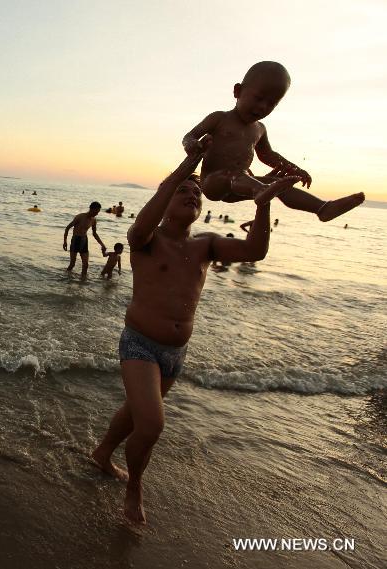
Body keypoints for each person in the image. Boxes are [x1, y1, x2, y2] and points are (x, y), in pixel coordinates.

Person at [90, 151, 282, 524]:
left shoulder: (206, 245)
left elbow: (255, 251)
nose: (193, 195)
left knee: (136, 414)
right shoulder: (146, 239)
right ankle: (134, 490)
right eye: (183, 191)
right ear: (166, 200)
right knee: (152, 424)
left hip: (175, 353)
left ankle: (101, 454)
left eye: (197, 192)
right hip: (139, 344)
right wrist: (185, 167)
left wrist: (261, 206)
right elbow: (142, 222)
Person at [182, 61, 364, 221]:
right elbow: (190, 136)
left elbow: (267, 155)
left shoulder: (260, 129)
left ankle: (322, 208)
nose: (262, 106)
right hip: (214, 183)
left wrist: (293, 169)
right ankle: (262, 190)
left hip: (245, 184)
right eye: (258, 98)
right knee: (244, 179)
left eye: (271, 103)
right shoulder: (219, 118)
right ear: (238, 91)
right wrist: (192, 145)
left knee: (278, 185)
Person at [63, 202, 106, 279]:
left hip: (84, 241)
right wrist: (65, 241)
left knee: (85, 265)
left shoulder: (94, 220)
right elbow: (67, 228)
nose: (97, 214)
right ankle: (66, 278)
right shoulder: (80, 217)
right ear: (91, 209)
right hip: (75, 240)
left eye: (98, 212)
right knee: (72, 264)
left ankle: (82, 283)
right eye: (96, 212)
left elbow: (94, 234)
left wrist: (102, 244)